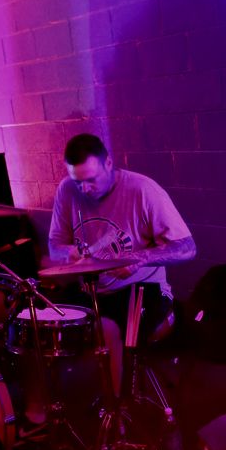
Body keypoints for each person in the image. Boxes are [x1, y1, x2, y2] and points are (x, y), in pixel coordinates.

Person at [48, 133, 196, 395]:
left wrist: (140, 259)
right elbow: (55, 246)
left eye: (91, 180)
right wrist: (68, 253)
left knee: (109, 330)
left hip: (142, 289)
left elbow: (187, 248)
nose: (84, 189)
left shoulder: (143, 190)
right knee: (44, 320)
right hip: (92, 291)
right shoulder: (67, 190)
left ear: (108, 163)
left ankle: (118, 408)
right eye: (78, 182)